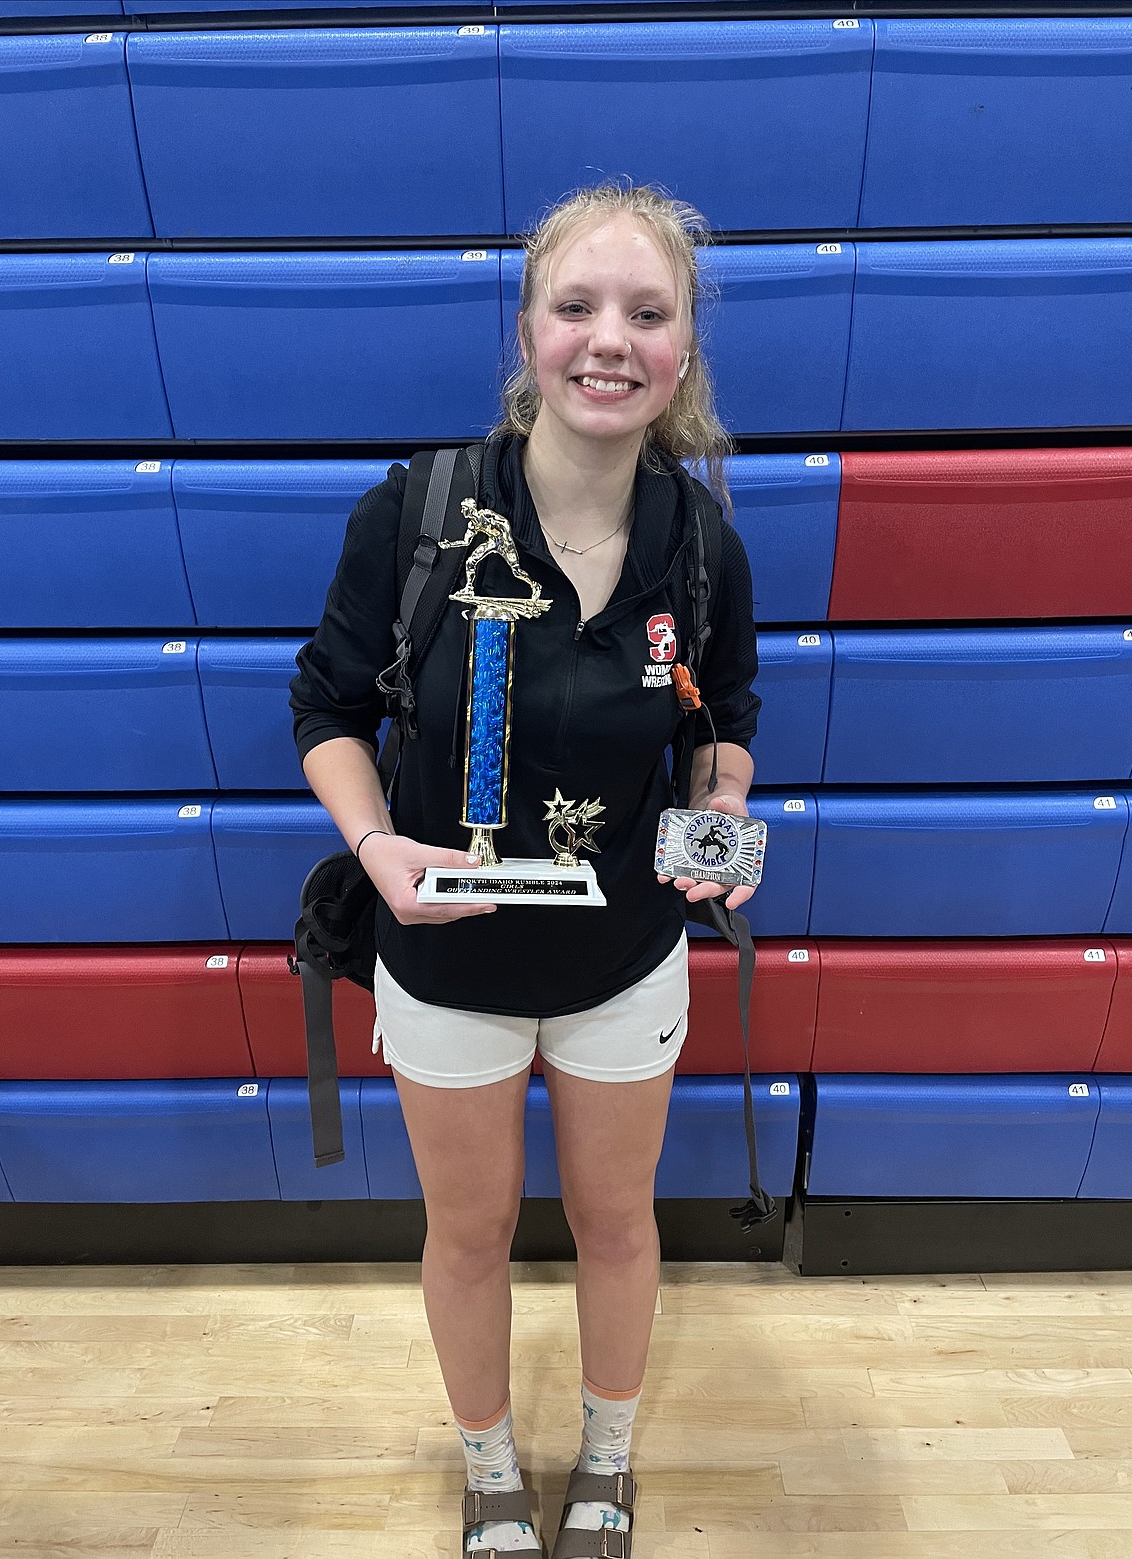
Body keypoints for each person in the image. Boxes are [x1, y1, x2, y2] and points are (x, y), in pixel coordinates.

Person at [290, 183, 761, 1558]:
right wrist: (377, 852)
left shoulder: (700, 543)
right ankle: (490, 1471)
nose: (606, 340)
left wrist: (714, 833)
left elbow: (723, 726)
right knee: (471, 1231)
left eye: (645, 312)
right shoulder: (423, 514)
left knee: (617, 1225)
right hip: (444, 962)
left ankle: (608, 1461)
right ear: (529, 329)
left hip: (621, 960)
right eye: (575, 306)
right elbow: (326, 710)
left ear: (680, 352)